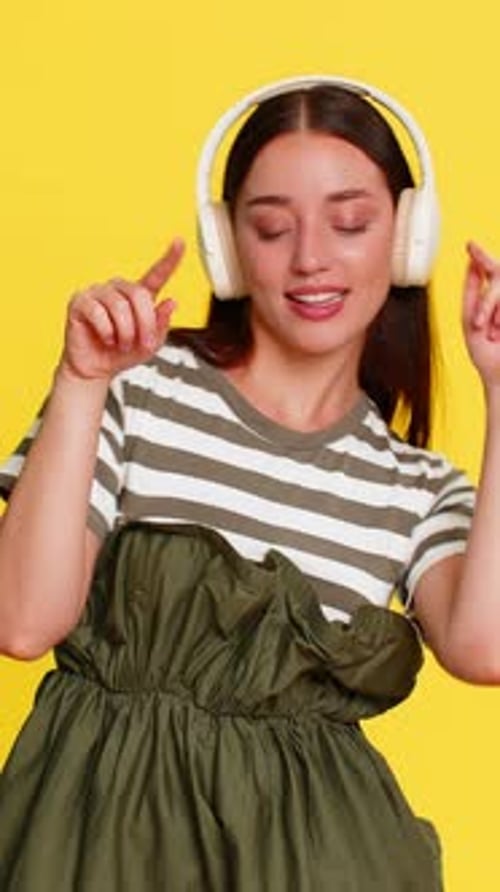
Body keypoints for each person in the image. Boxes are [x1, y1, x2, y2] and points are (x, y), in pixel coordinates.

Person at [0, 75, 498, 891]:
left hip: (320, 861)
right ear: (225, 246)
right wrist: (82, 381)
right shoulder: (134, 389)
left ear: (408, 239)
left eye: (350, 223)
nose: (310, 257)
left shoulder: (415, 485)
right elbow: (21, 623)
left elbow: (487, 648)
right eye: (271, 227)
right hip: (95, 850)